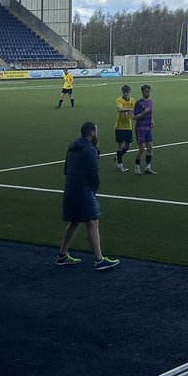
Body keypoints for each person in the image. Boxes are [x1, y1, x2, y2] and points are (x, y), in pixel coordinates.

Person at [56, 121, 120, 270]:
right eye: (96, 131)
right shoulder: (90, 150)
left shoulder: (73, 146)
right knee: (92, 222)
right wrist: (93, 188)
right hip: (83, 191)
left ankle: (62, 255)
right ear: (91, 132)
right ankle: (99, 260)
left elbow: (66, 169)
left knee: (75, 222)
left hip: (70, 188)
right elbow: (93, 174)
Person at [131, 83, 155, 175]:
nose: (148, 93)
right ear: (142, 92)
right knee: (141, 149)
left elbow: (150, 113)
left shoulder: (150, 102)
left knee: (150, 147)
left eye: (149, 91)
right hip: (140, 128)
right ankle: (136, 167)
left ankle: (148, 167)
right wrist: (144, 113)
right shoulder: (138, 103)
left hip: (148, 128)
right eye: (146, 91)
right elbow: (134, 117)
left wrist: (151, 120)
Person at [114, 84, 135, 172]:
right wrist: (129, 110)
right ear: (122, 92)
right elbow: (119, 109)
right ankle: (120, 165)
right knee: (120, 146)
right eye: (124, 92)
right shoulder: (119, 100)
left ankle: (117, 157)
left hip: (128, 126)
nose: (126, 94)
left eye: (127, 92)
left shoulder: (133, 100)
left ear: (129, 92)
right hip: (119, 126)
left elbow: (134, 110)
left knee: (128, 146)